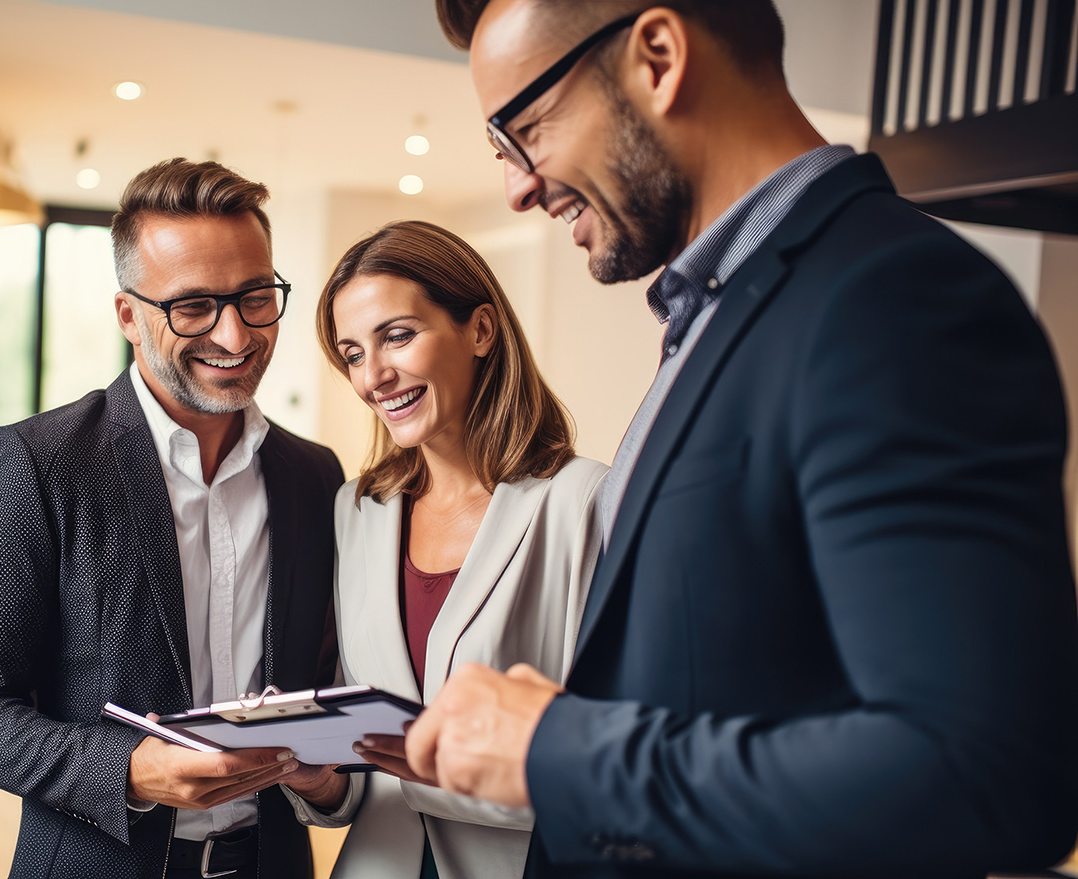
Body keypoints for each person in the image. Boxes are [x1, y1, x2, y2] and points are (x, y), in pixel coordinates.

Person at [404, 2, 1078, 877]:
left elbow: (984, 775)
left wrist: (557, 745)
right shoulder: (719, 311)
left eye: (525, 131)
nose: (519, 188)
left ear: (657, 57)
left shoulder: (893, 298)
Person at [0, 157, 348, 878]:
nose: (235, 335)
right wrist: (130, 770)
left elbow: (322, 685)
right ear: (129, 315)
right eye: (193, 307)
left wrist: (328, 776)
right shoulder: (40, 461)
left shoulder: (315, 476)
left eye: (256, 297)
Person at [296, 219, 608, 878]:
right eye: (352, 353)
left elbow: (609, 759)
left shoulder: (583, 502)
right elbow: (360, 758)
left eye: (397, 336)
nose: (373, 376)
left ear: (481, 330)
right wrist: (320, 780)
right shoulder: (358, 509)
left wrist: (441, 769)